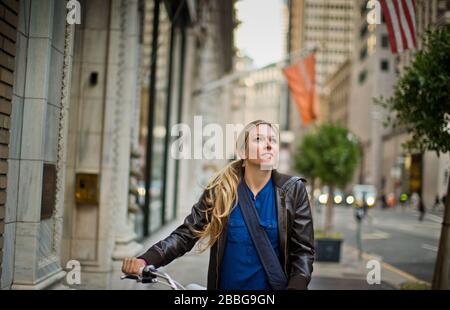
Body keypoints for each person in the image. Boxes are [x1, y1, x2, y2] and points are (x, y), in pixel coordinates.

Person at [121, 120, 315, 290]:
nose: (268, 145)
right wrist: (146, 260)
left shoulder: (292, 191)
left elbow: (303, 252)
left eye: (273, 140)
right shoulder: (221, 190)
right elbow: (186, 234)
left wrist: (296, 287)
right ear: (242, 151)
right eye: (259, 139)